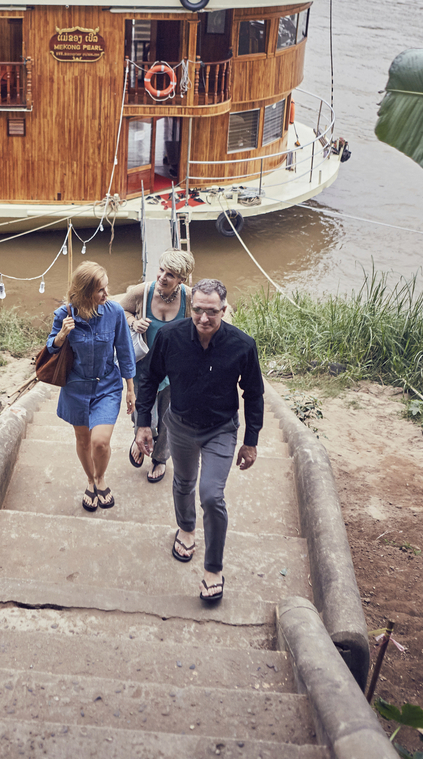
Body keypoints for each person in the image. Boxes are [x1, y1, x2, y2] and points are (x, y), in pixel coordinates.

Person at [134, 278, 263, 604]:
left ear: (224, 310)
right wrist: (143, 424)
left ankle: (213, 569)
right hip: (180, 425)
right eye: (198, 311)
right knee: (184, 483)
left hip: (221, 429)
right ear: (192, 308)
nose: (204, 318)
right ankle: (187, 529)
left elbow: (254, 394)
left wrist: (251, 440)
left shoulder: (242, 345)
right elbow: (148, 378)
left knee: (210, 494)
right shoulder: (169, 337)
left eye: (212, 312)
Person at [46, 262, 136, 513]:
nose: (107, 294)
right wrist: (62, 334)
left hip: (107, 385)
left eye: (106, 288)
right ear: (85, 293)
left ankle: (101, 477)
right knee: (83, 440)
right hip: (75, 387)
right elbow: (51, 347)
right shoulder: (63, 314)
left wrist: (130, 388)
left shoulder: (115, 312)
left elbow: (125, 352)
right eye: (100, 290)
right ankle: (90, 480)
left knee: (100, 442)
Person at [114, 248, 196, 483]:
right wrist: (134, 322)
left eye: (170, 275)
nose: (162, 277)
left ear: (181, 279)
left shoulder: (190, 298)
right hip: (143, 369)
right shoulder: (144, 291)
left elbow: (206, 323)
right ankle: (140, 437)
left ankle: (160, 458)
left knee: (168, 419)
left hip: (174, 372)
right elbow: (121, 309)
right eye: (161, 270)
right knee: (142, 414)